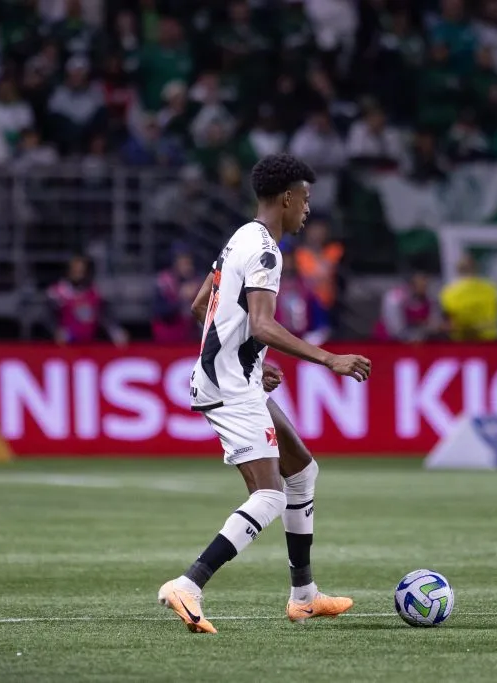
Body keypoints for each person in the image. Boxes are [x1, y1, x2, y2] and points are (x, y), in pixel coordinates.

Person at [158, 154, 372, 634]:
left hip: (235, 377)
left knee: (302, 472)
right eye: (307, 200)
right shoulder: (268, 252)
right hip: (232, 389)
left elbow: (201, 306)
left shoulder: (241, 236)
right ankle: (188, 585)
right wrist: (329, 358)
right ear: (288, 198)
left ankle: (304, 596)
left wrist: (249, 355)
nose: (308, 211)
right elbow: (261, 321)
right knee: (271, 495)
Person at [48, 255, 127, 346]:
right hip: (67, 342)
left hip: (90, 342)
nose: (78, 273)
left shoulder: (94, 292)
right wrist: (56, 330)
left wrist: (115, 331)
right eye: (75, 270)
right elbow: (49, 316)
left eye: (81, 270)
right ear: (69, 271)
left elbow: (105, 315)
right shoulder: (58, 291)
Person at [440, 253, 497, 341]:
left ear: (458, 270)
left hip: (463, 342)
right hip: (485, 341)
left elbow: (449, 322)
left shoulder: (449, 291)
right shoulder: (490, 289)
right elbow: (492, 319)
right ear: (476, 268)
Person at [152, 246, 202, 343]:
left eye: (189, 263)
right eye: (184, 263)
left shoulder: (195, 282)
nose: (188, 267)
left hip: (189, 340)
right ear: (176, 264)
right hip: (167, 340)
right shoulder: (164, 281)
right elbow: (160, 311)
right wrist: (181, 297)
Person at [374, 271, 439, 342]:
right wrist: (412, 337)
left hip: (415, 339)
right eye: (421, 286)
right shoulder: (395, 298)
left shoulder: (429, 300)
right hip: (388, 339)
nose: (425, 289)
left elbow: (433, 323)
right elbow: (395, 328)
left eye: (426, 286)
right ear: (412, 285)